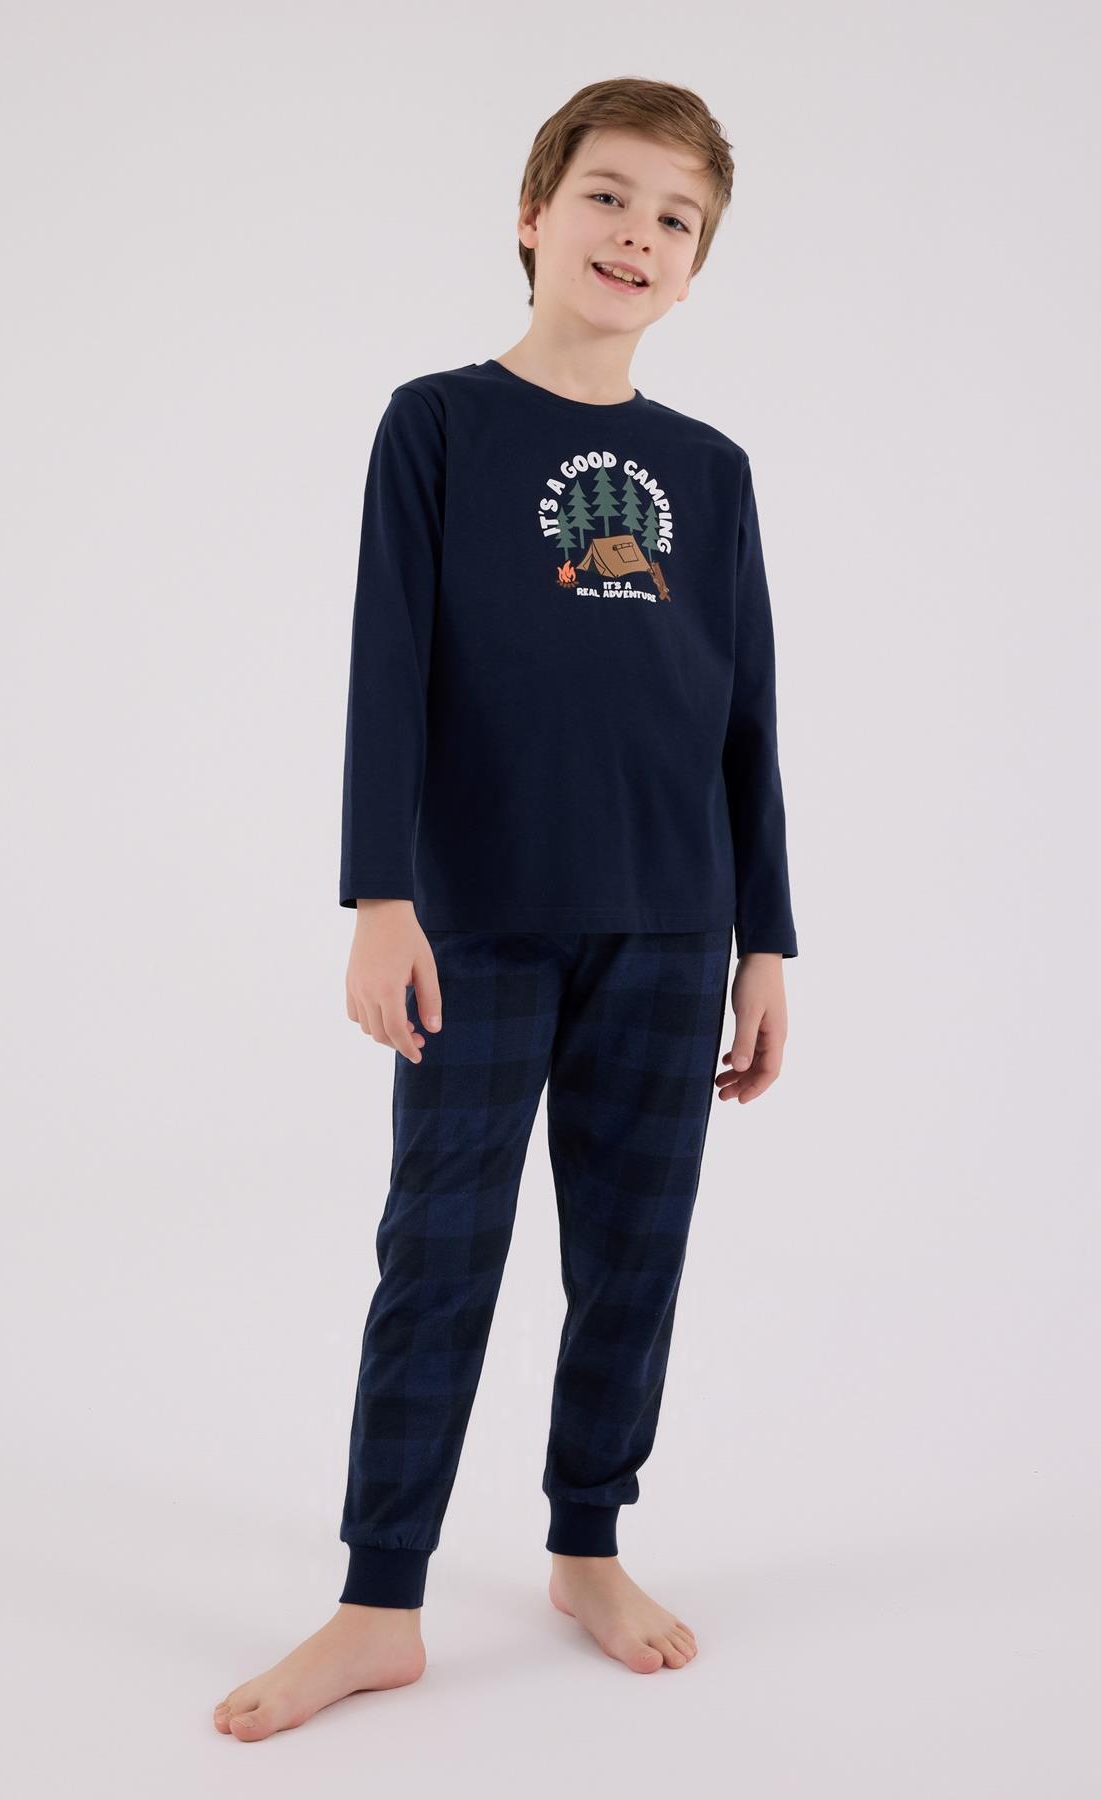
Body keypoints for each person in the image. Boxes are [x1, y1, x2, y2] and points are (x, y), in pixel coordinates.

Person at [214, 73, 798, 1742]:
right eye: (609, 196)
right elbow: (385, 668)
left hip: (672, 922)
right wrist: (377, 896)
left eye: (675, 219)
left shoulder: (713, 471)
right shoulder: (439, 426)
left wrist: (767, 938)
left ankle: (588, 1547)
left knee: (633, 1253)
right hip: (476, 917)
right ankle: (378, 1600)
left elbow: (749, 713)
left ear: (696, 267)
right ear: (534, 216)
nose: (637, 235)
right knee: (441, 1248)